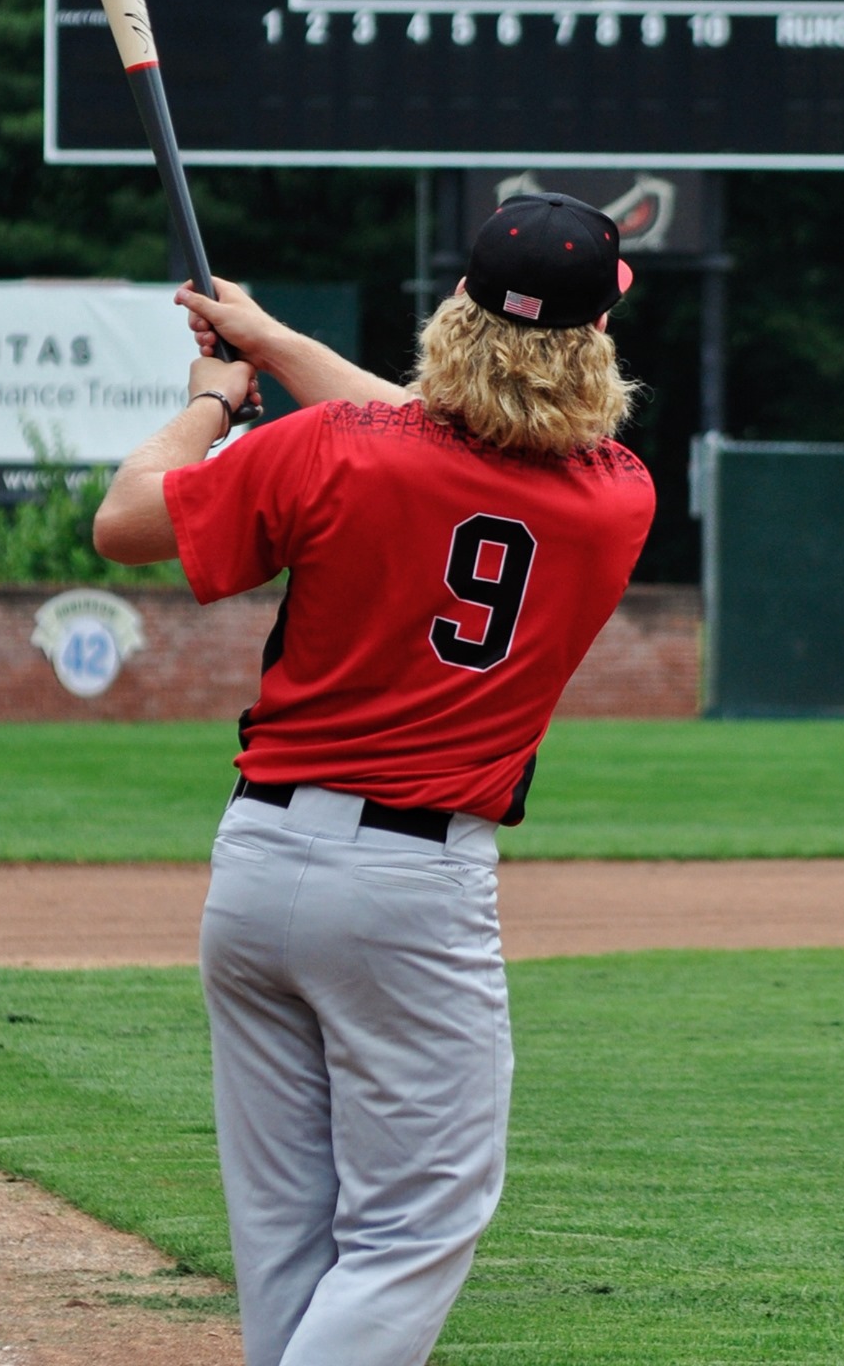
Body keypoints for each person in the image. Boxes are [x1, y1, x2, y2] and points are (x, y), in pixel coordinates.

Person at [93, 192, 656, 1366]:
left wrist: (211, 399)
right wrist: (273, 339)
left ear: (454, 304)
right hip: (413, 890)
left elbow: (125, 520)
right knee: (412, 1227)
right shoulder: (616, 496)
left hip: (255, 871)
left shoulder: (330, 448)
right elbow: (433, 429)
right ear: (600, 332)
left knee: (286, 1234)